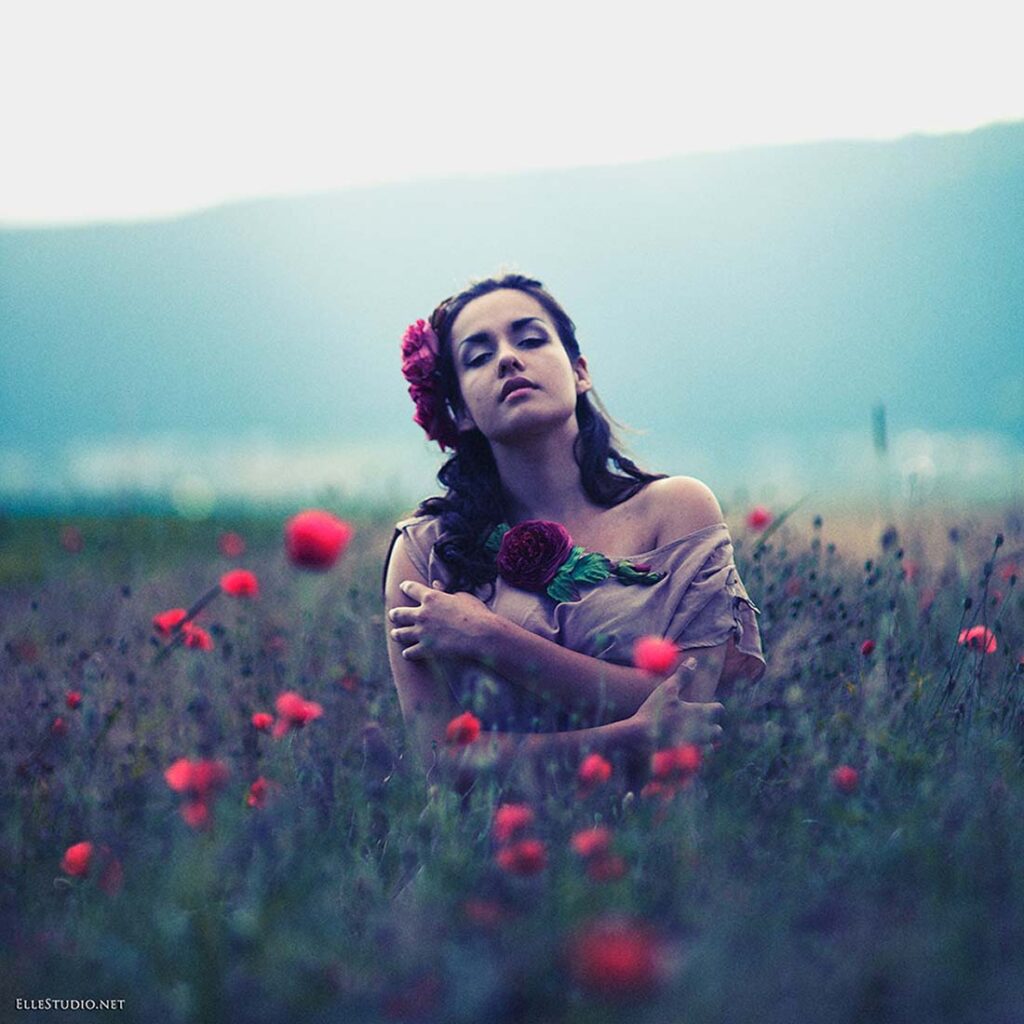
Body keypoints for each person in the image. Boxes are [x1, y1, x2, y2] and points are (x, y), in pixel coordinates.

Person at [382, 273, 765, 791]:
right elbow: (441, 761)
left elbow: (695, 709)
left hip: (656, 840)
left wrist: (490, 638)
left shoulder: (675, 511)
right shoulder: (428, 551)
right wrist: (629, 737)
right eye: (477, 356)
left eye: (530, 338)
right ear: (462, 413)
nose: (507, 359)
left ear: (580, 372)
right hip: (490, 855)